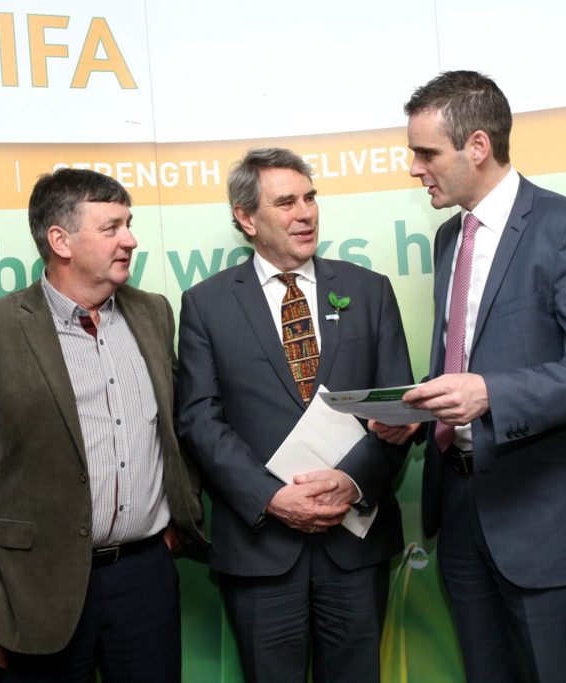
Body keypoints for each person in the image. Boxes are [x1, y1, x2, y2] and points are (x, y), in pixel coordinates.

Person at [377, 71, 566, 681]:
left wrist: (490, 393)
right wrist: (415, 416)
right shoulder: (450, 238)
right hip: (460, 508)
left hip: (543, 515)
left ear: (477, 146)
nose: (414, 169)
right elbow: (460, 358)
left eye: (426, 153)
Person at [0, 168, 205, 682]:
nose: (130, 240)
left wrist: (180, 508)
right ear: (60, 240)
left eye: (129, 224)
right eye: (111, 228)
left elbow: (176, 424)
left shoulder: (153, 313)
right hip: (37, 587)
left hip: (145, 577)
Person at [177, 148, 413, 683]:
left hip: (355, 543)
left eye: (310, 198)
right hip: (260, 549)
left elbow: (398, 408)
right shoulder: (206, 304)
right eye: (286, 202)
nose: (305, 213)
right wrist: (271, 498)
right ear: (245, 217)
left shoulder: (368, 291)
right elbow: (199, 419)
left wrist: (352, 482)